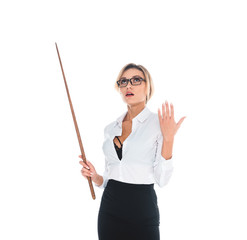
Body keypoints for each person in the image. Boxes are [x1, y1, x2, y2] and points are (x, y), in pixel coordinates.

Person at [78, 63, 186, 240]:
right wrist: (95, 177)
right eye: (123, 81)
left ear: (147, 86)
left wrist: (168, 140)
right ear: (119, 88)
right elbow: (109, 177)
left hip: (142, 210)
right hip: (110, 210)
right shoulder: (110, 129)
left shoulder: (158, 124)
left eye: (136, 80)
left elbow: (162, 180)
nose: (128, 85)